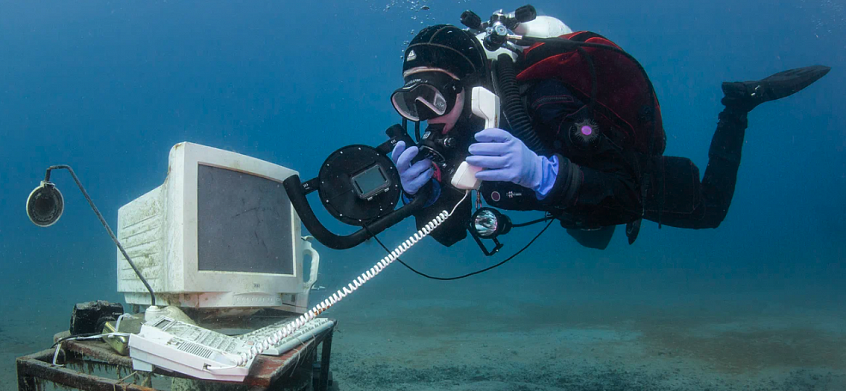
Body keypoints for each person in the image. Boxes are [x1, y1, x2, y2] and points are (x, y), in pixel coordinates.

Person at [389, 23, 830, 249]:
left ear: (471, 86)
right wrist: (426, 200)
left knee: (708, 209)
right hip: (568, 207)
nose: (426, 117)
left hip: (608, 178)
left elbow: (626, 194)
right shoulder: (450, 138)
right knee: (590, 235)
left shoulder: (545, 101)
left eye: (432, 97)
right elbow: (450, 235)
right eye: (411, 102)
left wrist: (544, 174)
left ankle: (737, 105)